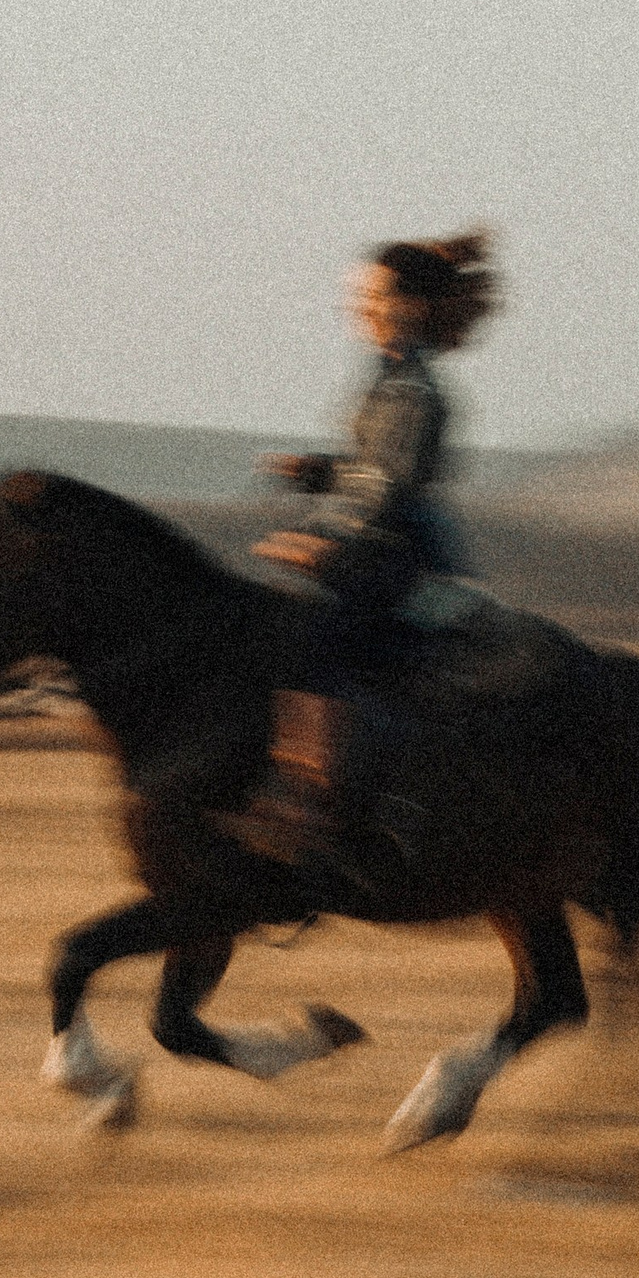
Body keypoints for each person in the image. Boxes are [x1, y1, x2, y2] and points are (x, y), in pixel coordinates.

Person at [233, 231, 501, 879]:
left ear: (404, 305)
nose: (357, 305)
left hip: (398, 557)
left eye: (369, 294)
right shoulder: (389, 378)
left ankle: (312, 802)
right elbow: (367, 470)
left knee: (310, 634)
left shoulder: (411, 388)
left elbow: (390, 487)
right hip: (374, 544)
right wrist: (318, 472)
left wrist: (323, 544)